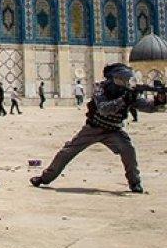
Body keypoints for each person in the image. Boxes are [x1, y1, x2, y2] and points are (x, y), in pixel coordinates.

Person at [31, 63, 144, 193]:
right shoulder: (101, 89)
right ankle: (45, 178)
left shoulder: (127, 93)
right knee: (67, 152)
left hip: (114, 130)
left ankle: (135, 183)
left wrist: (158, 101)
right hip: (93, 129)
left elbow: (145, 106)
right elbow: (103, 109)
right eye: (122, 79)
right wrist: (123, 100)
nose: (125, 82)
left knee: (128, 151)